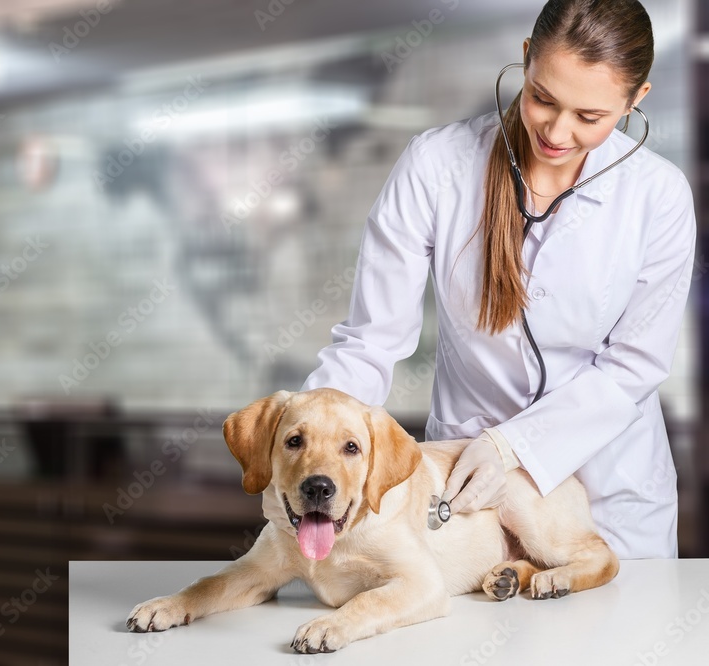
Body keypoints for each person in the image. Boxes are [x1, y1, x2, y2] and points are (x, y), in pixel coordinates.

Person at [264, 0, 696, 560]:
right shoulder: (435, 167)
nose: (557, 132)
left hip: (611, 486)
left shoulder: (659, 197)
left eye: (589, 117)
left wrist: (513, 446)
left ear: (637, 99)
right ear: (524, 60)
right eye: (543, 97)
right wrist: (306, 448)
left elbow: (633, 365)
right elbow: (371, 341)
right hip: (468, 495)